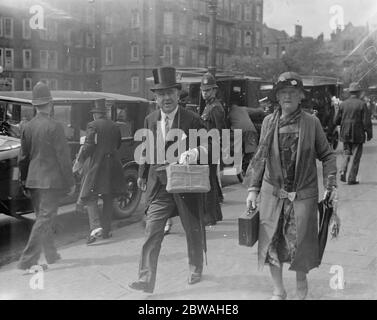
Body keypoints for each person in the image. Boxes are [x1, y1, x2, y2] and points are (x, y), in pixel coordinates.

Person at [244, 72, 338, 300]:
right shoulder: (268, 122)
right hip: (272, 195)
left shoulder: (311, 122)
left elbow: (327, 155)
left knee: (300, 246)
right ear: (277, 96)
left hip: (302, 196)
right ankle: (278, 290)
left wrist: (330, 184)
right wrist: (252, 190)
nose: (288, 97)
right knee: (271, 245)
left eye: (293, 93)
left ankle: (301, 286)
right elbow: (260, 158)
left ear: (300, 97)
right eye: (283, 92)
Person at [129, 66, 207, 294]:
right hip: (160, 187)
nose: (166, 98)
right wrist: (143, 174)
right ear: (155, 97)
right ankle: (146, 278)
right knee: (152, 230)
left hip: (185, 183)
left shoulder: (192, 119)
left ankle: (195, 268)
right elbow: (145, 149)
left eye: (170, 93)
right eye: (161, 94)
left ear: (177, 94)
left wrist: (194, 152)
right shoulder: (150, 119)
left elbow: (209, 145)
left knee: (192, 229)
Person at [17, 82, 75, 271]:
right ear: (50, 104)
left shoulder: (27, 126)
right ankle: (28, 260)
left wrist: (24, 181)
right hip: (50, 182)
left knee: (43, 218)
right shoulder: (55, 126)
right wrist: (71, 181)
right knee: (45, 219)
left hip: (33, 181)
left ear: (34, 105)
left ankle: (51, 254)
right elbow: (63, 159)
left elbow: (23, 158)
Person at [76, 98, 126, 245]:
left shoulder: (92, 125)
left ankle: (95, 226)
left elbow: (88, 146)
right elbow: (118, 144)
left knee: (90, 195)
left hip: (97, 165)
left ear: (95, 114)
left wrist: (80, 158)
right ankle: (106, 231)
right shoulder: (114, 125)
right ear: (105, 113)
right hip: (114, 165)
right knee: (108, 197)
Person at [200, 72, 225, 225]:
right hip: (206, 148)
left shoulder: (215, 108)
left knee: (207, 182)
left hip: (210, 149)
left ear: (214, 91)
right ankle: (215, 214)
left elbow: (219, 130)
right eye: (203, 90)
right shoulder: (208, 106)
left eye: (208, 90)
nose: (205, 93)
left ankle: (209, 217)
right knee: (211, 181)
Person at [335, 82, 373, 185]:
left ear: (350, 92)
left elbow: (336, 120)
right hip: (358, 134)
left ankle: (343, 170)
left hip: (345, 133)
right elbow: (366, 122)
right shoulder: (362, 104)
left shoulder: (343, 104)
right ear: (359, 92)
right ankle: (352, 178)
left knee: (346, 153)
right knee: (356, 157)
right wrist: (369, 134)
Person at [228, 94, 259, 175]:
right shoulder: (243, 108)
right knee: (250, 152)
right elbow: (258, 111)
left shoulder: (229, 113)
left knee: (237, 150)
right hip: (250, 131)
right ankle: (248, 170)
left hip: (237, 133)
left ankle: (240, 167)